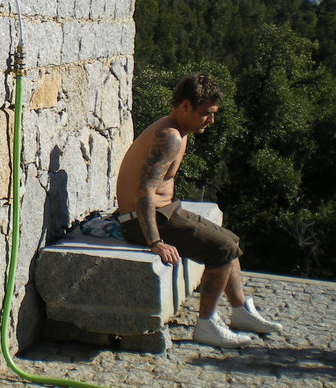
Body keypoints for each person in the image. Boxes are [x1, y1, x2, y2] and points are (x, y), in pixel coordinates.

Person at [115, 74, 282, 348]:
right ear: (184, 107)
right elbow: (144, 191)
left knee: (231, 241)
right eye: (205, 114)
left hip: (165, 211)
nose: (211, 121)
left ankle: (240, 311)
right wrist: (155, 242)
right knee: (223, 249)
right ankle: (207, 325)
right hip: (143, 222)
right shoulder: (170, 137)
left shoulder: (178, 130)